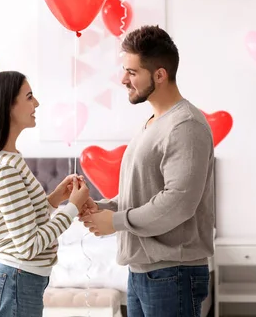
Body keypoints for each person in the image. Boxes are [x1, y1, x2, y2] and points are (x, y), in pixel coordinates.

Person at [80, 25, 215, 317]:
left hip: (172, 275)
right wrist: (98, 207)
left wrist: (114, 221)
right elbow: (143, 193)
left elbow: (177, 203)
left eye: (132, 72)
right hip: (144, 273)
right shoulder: (153, 123)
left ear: (160, 75)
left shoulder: (186, 126)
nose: (123, 79)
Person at [0, 71, 90, 317]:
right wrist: (72, 208)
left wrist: (56, 198)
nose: (36, 104)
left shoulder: (10, 160)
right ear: (8, 107)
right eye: (29, 97)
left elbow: (23, 220)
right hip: (16, 282)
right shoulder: (5, 169)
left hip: (18, 282)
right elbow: (28, 245)